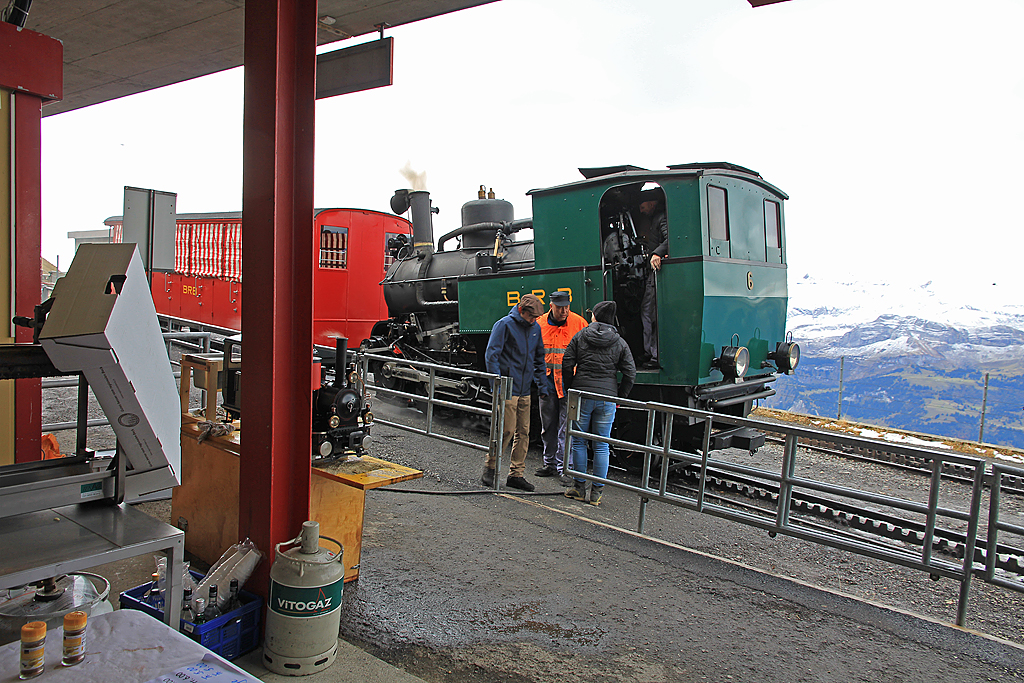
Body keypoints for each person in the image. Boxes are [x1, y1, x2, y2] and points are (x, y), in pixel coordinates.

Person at [561, 300, 636, 507]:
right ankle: (596, 494)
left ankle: (578, 487)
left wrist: (571, 388)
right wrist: (619, 396)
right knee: (602, 444)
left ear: (595, 317)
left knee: (579, 441)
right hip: (607, 398)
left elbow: (567, 362)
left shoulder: (581, 336)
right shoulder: (619, 342)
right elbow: (630, 373)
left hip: (582, 395)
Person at [482, 293, 547, 491]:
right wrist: (498, 385)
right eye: (531, 316)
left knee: (523, 432)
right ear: (521, 311)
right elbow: (491, 355)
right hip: (508, 388)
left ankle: (516, 474)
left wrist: (542, 384)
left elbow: (539, 358)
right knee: (506, 430)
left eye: (536, 317)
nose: (534, 320)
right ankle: (490, 467)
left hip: (524, 388)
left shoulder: (534, 328)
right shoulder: (504, 325)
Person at [535, 290, 588, 485]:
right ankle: (549, 463)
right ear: (551, 306)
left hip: (569, 384)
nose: (564, 311)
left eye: (567, 307)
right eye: (560, 308)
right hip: (548, 385)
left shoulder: (579, 323)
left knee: (566, 428)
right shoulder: (539, 324)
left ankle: (566, 468)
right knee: (548, 426)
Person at [637, 188, 669, 370]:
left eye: (642, 207)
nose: (641, 211)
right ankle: (650, 351)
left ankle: (654, 353)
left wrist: (656, 253)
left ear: (651, 203)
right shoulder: (656, 218)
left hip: (656, 273)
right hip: (652, 273)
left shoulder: (661, 218)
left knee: (649, 313)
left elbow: (670, 239)